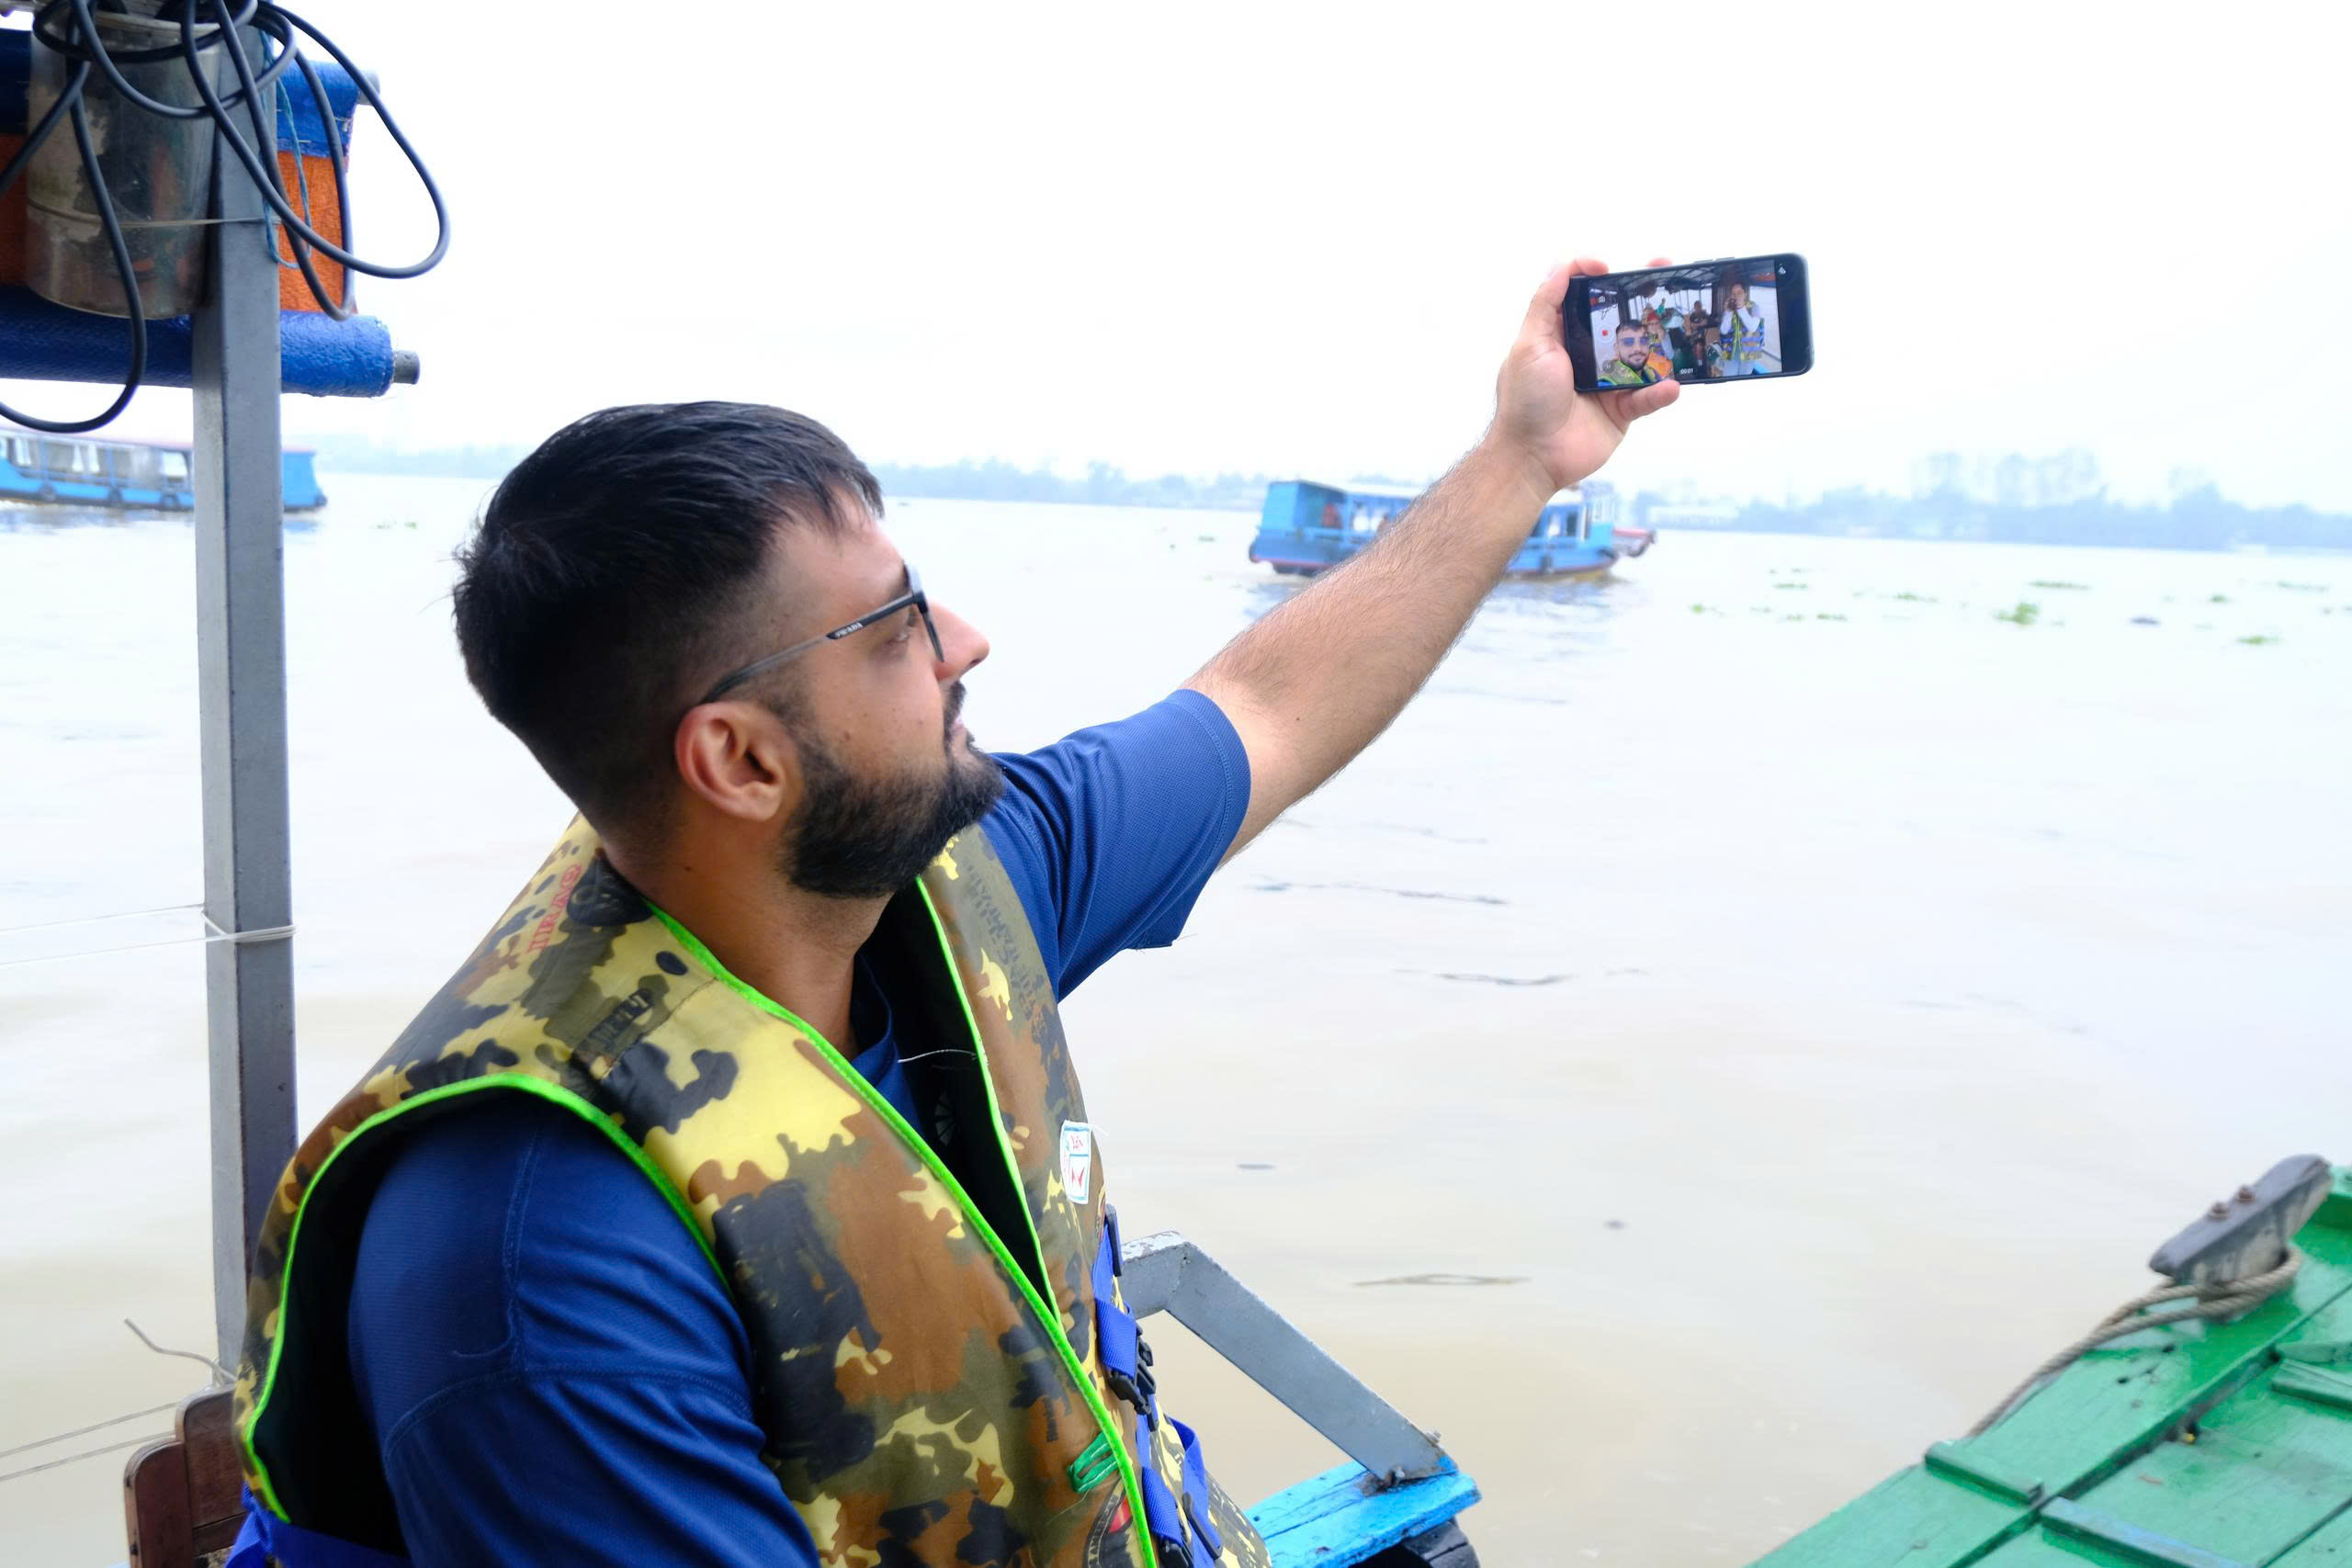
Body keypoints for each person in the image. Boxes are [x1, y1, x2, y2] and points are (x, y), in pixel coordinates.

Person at [227, 259, 1680, 1568]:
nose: (968, 641)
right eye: (899, 622)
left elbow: (1263, 709)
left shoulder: (925, 879)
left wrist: (1524, 457)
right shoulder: (539, 1272)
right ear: (740, 757)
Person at [1720, 279, 1771, 376]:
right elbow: (1724, 330)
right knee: (1728, 379)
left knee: (1744, 381)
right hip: (1730, 352)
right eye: (1733, 293)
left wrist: (1741, 308)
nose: (1736, 296)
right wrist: (1728, 312)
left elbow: (1752, 327)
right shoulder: (1729, 308)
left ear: (1745, 293)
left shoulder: (1755, 307)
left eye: (1739, 292)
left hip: (1749, 353)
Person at [1599, 320, 1672, 387]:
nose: (1638, 349)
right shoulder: (1606, 384)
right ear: (1617, 349)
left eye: (1643, 341)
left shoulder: (1651, 372)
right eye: (1628, 342)